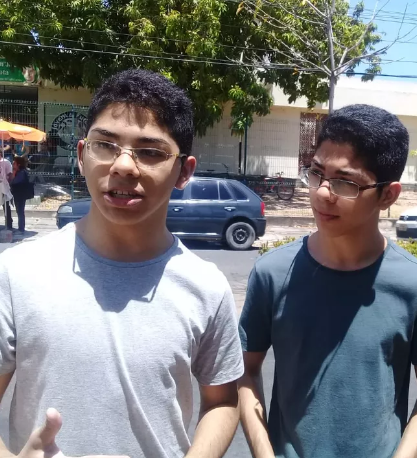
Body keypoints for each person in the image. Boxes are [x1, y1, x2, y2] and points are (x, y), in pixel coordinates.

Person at [0, 69, 244, 457]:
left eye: (150, 152)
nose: (124, 166)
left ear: (184, 171)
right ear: (82, 156)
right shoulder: (17, 273)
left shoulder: (207, 287)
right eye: (105, 145)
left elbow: (223, 401)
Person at [239, 104, 417, 458]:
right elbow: (245, 373)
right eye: (316, 174)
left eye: (345, 182)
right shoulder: (273, 273)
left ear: (388, 195)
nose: (323, 192)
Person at [9, 156, 30, 234]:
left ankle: (21, 229)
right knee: (19, 211)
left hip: (20, 194)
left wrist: (13, 174)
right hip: (18, 194)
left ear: (18, 164)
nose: (13, 164)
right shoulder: (19, 172)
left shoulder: (22, 172)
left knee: (20, 211)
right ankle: (20, 228)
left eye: (14, 163)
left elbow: (14, 182)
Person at [0, 152, 13, 230]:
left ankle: (9, 223)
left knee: (6, 206)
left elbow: (10, 174)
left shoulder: (6, 162)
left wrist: (9, 184)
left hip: (4, 186)